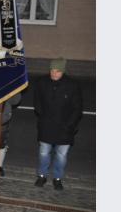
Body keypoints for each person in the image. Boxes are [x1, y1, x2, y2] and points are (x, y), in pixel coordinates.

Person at [33, 58, 83, 190]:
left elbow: (77, 109)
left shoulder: (72, 85)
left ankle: (57, 178)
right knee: (44, 153)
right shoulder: (42, 82)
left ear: (63, 71)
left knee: (61, 156)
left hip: (64, 129)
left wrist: (69, 125)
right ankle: (42, 176)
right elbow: (37, 102)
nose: (54, 73)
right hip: (47, 126)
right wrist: (43, 116)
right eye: (52, 70)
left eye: (58, 71)